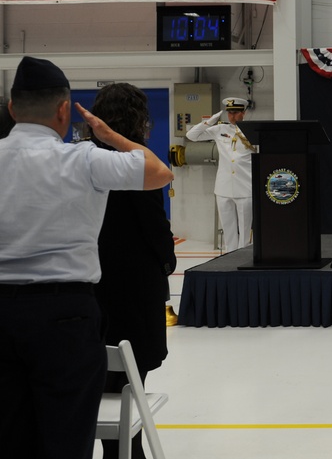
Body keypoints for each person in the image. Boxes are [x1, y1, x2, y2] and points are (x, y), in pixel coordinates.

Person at [0, 56, 173, 459]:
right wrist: (108, 134)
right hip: (65, 315)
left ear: (12, 108)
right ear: (64, 110)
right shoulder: (82, 160)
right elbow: (158, 171)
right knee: (66, 434)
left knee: (9, 433)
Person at [90, 82, 176, 459]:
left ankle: (118, 447)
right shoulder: (137, 163)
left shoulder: (82, 158)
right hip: (134, 284)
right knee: (129, 378)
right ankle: (125, 450)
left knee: (102, 377)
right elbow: (153, 226)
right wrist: (166, 262)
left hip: (92, 279)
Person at [186, 97, 255, 252]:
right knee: (228, 228)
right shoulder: (220, 130)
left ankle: (243, 256)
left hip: (245, 187)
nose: (232, 116)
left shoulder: (252, 130)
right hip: (223, 187)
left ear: (243, 113)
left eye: (236, 112)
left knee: (245, 231)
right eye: (229, 113)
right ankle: (230, 256)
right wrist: (209, 121)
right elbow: (191, 136)